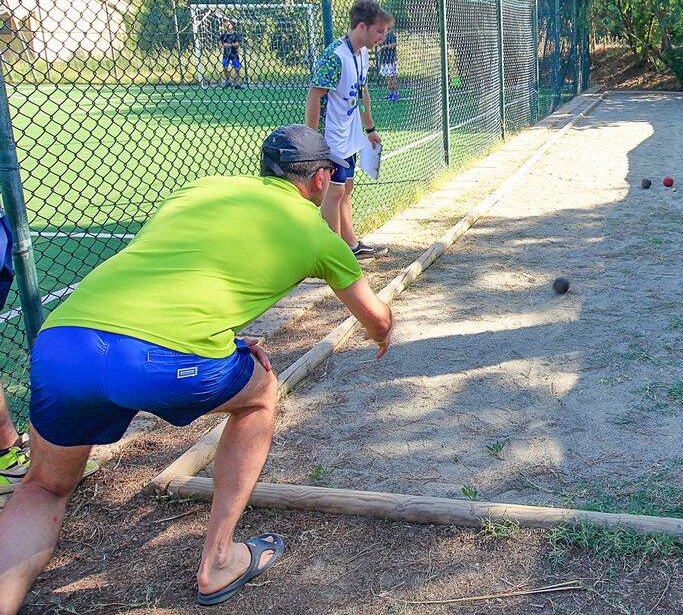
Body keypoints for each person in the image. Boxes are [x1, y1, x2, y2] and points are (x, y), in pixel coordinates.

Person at [0, 125, 394, 611]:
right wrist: (382, 334)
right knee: (260, 393)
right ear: (321, 179)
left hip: (65, 343)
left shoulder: (203, 189)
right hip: (161, 360)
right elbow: (375, 317)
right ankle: (219, 560)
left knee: (42, 487)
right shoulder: (318, 236)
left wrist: (220, 337)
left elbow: (180, 273)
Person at [306, 0, 391, 259]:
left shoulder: (362, 54)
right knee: (335, 192)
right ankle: (334, 253)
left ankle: (350, 245)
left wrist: (369, 128)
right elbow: (314, 95)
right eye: (379, 32)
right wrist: (311, 140)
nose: (381, 37)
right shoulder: (335, 56)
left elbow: (362, 93)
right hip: (331, 138)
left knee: (347, 188)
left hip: (349, 134)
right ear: (362, 27)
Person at [218, 20, 244, 89]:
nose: (227, 26)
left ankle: (237, 84)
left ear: (232, 25)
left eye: (228, 25)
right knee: (225, 68)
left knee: (237, 68)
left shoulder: (236, 34)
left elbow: (237, 45)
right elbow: (220, 44)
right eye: (226, 25)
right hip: (226, 54)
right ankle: (228, 81)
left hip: (234, 54)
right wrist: (224, 45)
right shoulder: (223, 35)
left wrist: (229, 45)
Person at [378, 28, 399, 102]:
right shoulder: (383, 36)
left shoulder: (391, 35)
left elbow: (394, 44)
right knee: (388, 79)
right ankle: (391, 93)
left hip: (391, 60)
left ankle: (395, 94)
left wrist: (384, 46)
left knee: (392, 78)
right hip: (384, 60)